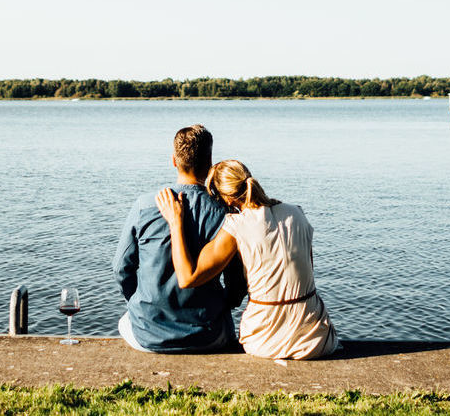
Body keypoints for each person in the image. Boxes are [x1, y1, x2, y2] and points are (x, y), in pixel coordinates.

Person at [154, 159, 337, 360]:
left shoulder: (236, 226)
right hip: (317, 340)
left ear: (227, 199)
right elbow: (306, 271)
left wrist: (175, 222)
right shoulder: (297, 213)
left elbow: (187, 278)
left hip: (264, 341)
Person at [113, 124, 246, 353]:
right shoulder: (226, 214)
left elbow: (121, 269)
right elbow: (237, 284)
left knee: (124, 322)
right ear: (210, 161)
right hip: (207, 335)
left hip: (148, 333)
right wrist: (222, 306)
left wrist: (139, 303)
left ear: (174, 160)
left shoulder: (145, 205)